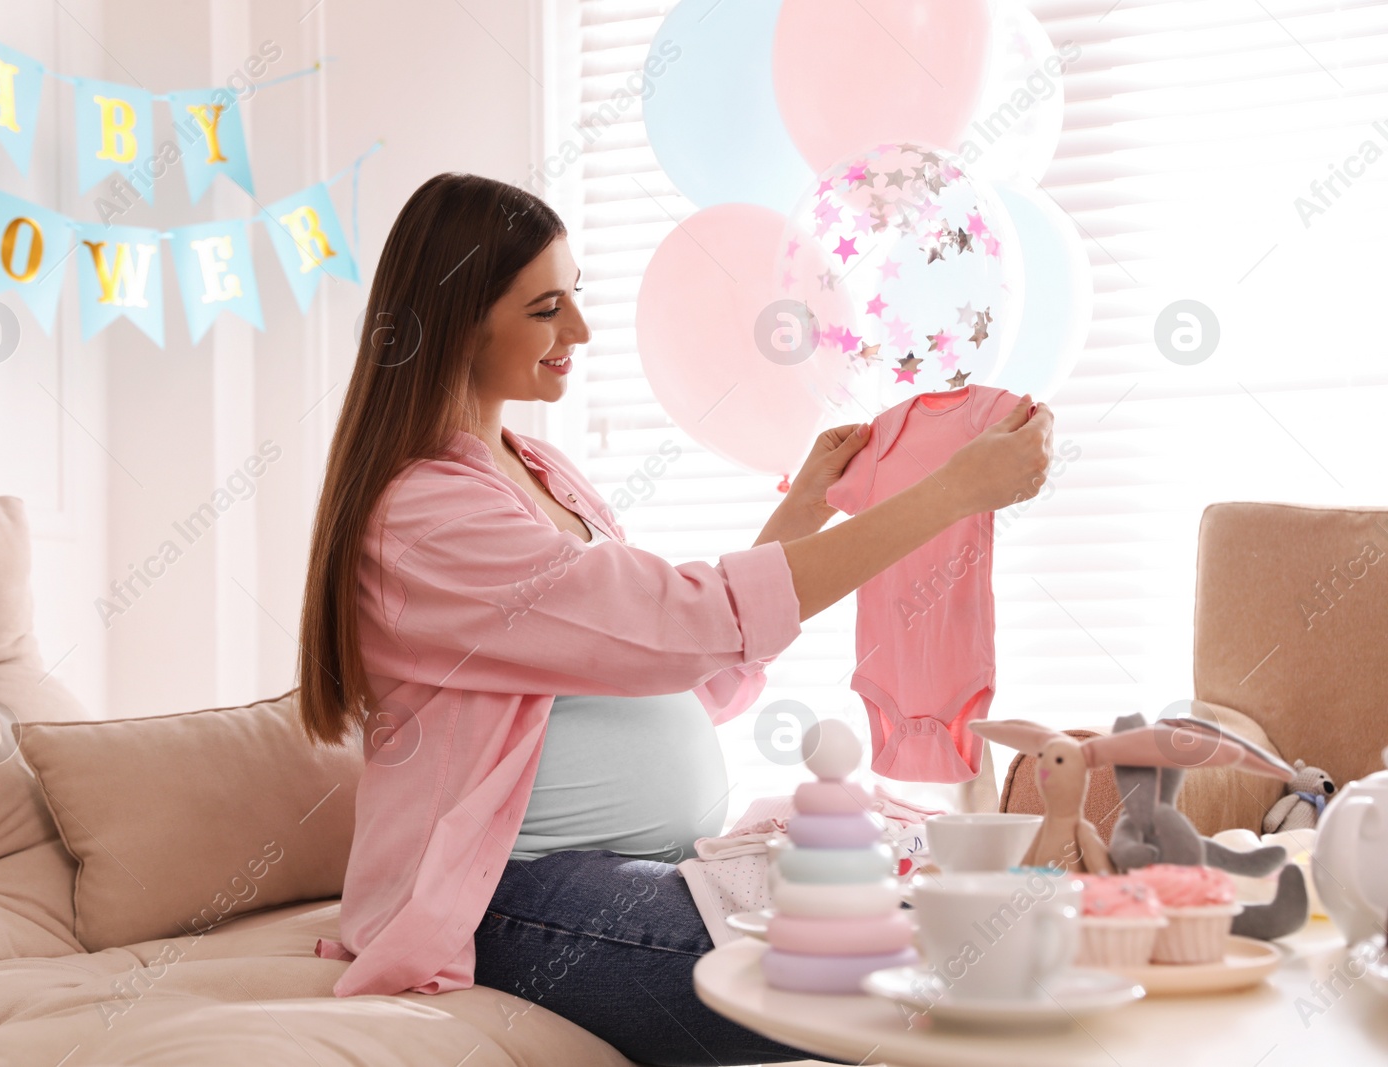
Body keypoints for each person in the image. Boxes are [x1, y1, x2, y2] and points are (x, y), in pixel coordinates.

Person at [297, 172, 1053, 1066]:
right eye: (546, 308)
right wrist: (949, 493)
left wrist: (805, 509)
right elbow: (672, 623)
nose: (578, 330)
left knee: (947, 904)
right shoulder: (423, 518)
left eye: (575, 295)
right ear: (460, 318)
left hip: (640, 860)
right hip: (504, 893)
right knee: (872, 967)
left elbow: (673, 667)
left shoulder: (537, 469)